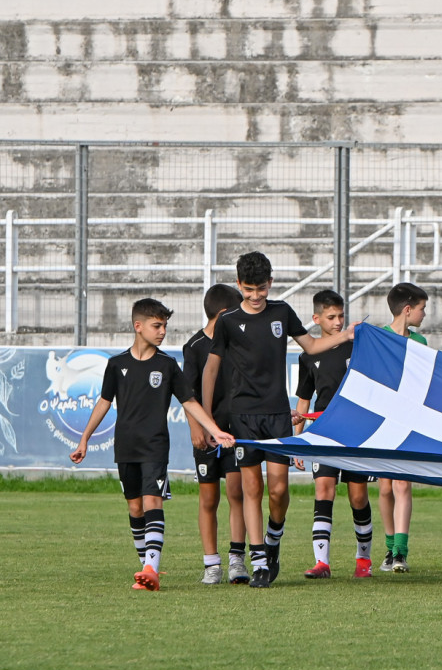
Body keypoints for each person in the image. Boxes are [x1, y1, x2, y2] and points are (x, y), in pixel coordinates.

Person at [202, 251, 358, 589]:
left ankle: (273, 538)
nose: (255, 296)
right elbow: (211, 368)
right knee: (251, 488)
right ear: (239, 286)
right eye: (248, 290)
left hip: (276, 416)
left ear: (270, 284)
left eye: (261, 289)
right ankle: (259, 560)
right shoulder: (228, 321)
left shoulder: (282, 312)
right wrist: (208, 420)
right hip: (242, 417)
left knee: (278, 489)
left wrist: (345, 336)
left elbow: (313, 346)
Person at [70, 299, 236, 591]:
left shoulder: (167, 365)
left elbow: (190, 402)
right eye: (157, 325)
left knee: (152, 502)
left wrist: (215, 430)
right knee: (135, 508)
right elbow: (103, 403)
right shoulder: (116, 365)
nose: (162, 331)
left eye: (165, 326)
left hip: (155, 447)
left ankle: (151, 569)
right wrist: (84, 438)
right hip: (125, 448)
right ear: (138, 326)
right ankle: (145, 565)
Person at [293, 290, 375, 580]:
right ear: (316, 320)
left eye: (341, 316)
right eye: (331, 317)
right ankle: (321, 562)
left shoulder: (359, 348)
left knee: (357, 496)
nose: (338, 321)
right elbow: (303, 403)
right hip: (324, 433)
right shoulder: (308, 357)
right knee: (323, 489)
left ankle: (363, 560)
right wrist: (297, 443)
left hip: (354, 433)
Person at [182, 283, 247, 584]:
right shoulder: (194, 346)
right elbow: (186, 394)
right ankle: (212, 564)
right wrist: (197, 426)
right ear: (222, 314)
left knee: (237, 492)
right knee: (209, 499)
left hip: (235, 432)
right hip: (206, 434)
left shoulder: (237, 343)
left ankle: (237, 560)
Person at [378, 282, 429, 572]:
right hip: (383, 422)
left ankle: (400, 552)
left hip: (408, 422)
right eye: (422, 308)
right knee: (385, 488)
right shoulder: (377, 338)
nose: (424, 314)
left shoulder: (419, 342)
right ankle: (388, 548)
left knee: (402, 483)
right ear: (408, 310)